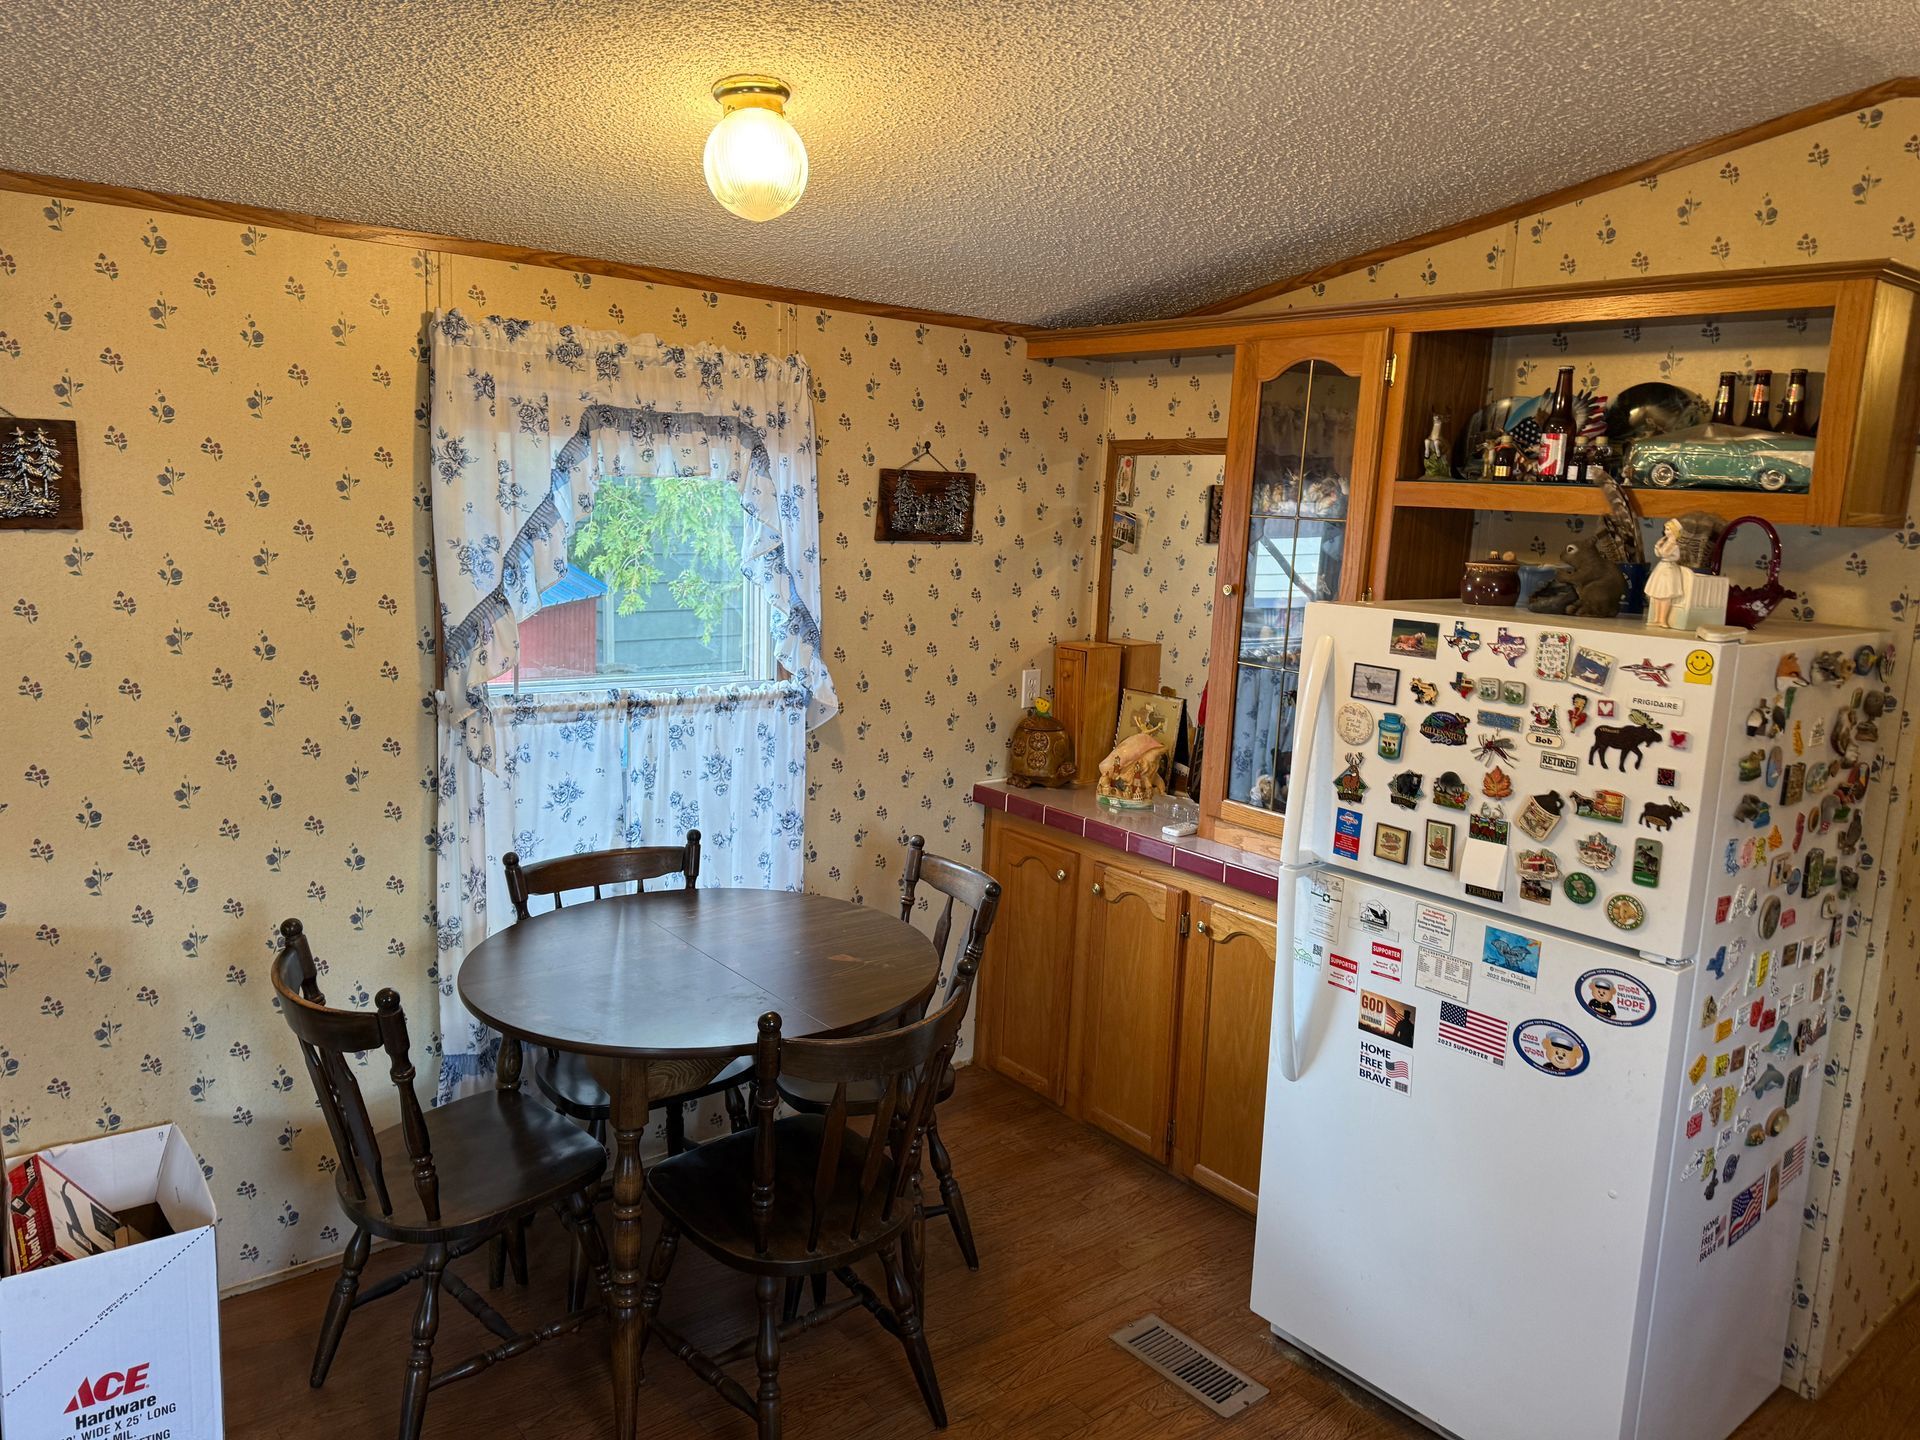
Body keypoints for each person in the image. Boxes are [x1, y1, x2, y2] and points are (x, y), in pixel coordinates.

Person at [1645, 518, 1689, 629]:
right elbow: (1659, 554)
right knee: (1657, 595)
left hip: (1669, 570)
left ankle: (1663, 619)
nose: (1666, 531)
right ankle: (1657, 618)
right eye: (1665, 529)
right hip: (1662, 567)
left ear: (1674, 532)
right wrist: (1658, 546)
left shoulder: (1674, 545)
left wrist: (1660, 548)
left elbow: (1665, 553)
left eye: (1668, 529)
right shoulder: (1666, 542)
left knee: (1665, 596)